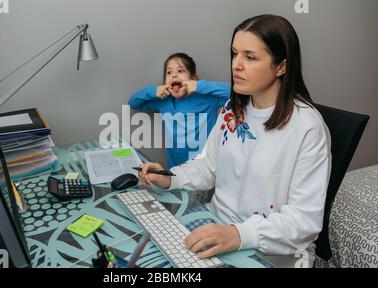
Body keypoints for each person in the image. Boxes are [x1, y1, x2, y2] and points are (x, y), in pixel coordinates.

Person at [138, 15, 331, 267]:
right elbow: (209, 165)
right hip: (217, 229)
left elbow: (304, 221)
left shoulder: (307, 127)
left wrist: (239, 234)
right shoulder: (233, 108)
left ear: (281, 66)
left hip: (271, 254)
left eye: (249, 57)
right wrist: (170, 177)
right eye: (234, 54)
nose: (236, 65)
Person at [128, 53, 230, 168]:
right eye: (169, 72)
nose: (174, 76)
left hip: (206, 167)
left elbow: (235, 93)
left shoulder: (208, 99)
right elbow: (133, 102)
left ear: (194, 79)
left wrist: (199, 86)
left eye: (180, 71)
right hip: (176, 169)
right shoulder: (163, 102)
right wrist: (154, 91)